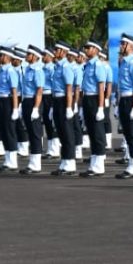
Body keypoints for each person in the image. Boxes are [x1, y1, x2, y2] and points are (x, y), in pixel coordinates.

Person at [115, 34, 133, 178]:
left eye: (123, 44)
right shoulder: (123, 62)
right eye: (121, 43)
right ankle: (131, 164)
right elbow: (120, 86)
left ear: (131, 47)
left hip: (132, 99)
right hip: (123, 100)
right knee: (127, 133)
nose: (121, 46)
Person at [79, 41, 109, 177]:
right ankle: (94, 163)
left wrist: (101, 107)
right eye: (85, 48)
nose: (86, 50)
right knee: (91, 131)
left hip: (95, 99)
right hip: (87, 99)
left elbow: (101, 88)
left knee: (97, 133)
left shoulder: (98, 65)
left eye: (88, 48)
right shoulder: (87, 65)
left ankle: (99, 166)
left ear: (96, 50)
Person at [49, 42, 79, 176]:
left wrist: (69, 107)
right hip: (56, 100)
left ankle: (70, 163)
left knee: (67, 133)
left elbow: (69, 89)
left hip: (64, 101)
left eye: (57, 49)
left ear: (63, 52)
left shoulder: (66, 67)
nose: (54, 51)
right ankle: (64, 161)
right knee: (61, 132)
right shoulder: (57, 67)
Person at [20, 45, 47, 174]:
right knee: (30, 131)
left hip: (33, 102)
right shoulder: (28, 70)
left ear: (35, 56)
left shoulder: (37, 71)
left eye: (29, 54)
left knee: (35, 132)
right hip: (27, 100)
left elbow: (39, 90)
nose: (26, 55)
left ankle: (36, 164)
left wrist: (36, 108)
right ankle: (32, 162)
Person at [0, 46, 22, 171]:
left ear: (7, 57)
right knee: (3, 130)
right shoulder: (1, 71)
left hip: (8, 102)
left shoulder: (11, 71)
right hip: (1, 100)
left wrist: (15, 108)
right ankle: (7, 159)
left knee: (10, 131)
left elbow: (14, 91)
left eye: (1, 55)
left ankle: (12, 161)